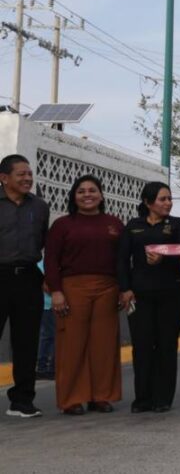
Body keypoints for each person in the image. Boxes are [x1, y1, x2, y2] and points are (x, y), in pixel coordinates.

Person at [44, 175, 126, 415]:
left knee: (104, 344)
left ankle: (101, 397)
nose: (87, 195)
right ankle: (71, 399)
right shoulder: (62, 225)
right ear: (74, 196)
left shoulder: (114, 224)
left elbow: (122, 260)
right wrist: (56, 291)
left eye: (92, 190)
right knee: (72, 344)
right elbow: (50, 260)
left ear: (101, 195)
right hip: (72, 288)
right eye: (81, 191)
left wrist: (124, 288)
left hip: (108, 288)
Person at [116, 181, 180, 413]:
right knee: (142, 345)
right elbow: (121, 260)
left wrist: (164, 258)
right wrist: (125, 288)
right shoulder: (133, 226)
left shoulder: (177, 224)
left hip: (174, 292)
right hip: (140, 294)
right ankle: (143, 398)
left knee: (166, 344)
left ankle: (163, 398)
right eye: (163, 199)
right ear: (148, 202)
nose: (168, 203)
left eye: (170, 199)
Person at [0, 154, 50, 418]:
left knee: (27, 341)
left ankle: (22, 401)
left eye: (29, 174)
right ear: (4, 178)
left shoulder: (40, 207)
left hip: (29, 278)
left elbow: (44, 243)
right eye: (21, 174)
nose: (27, 178)